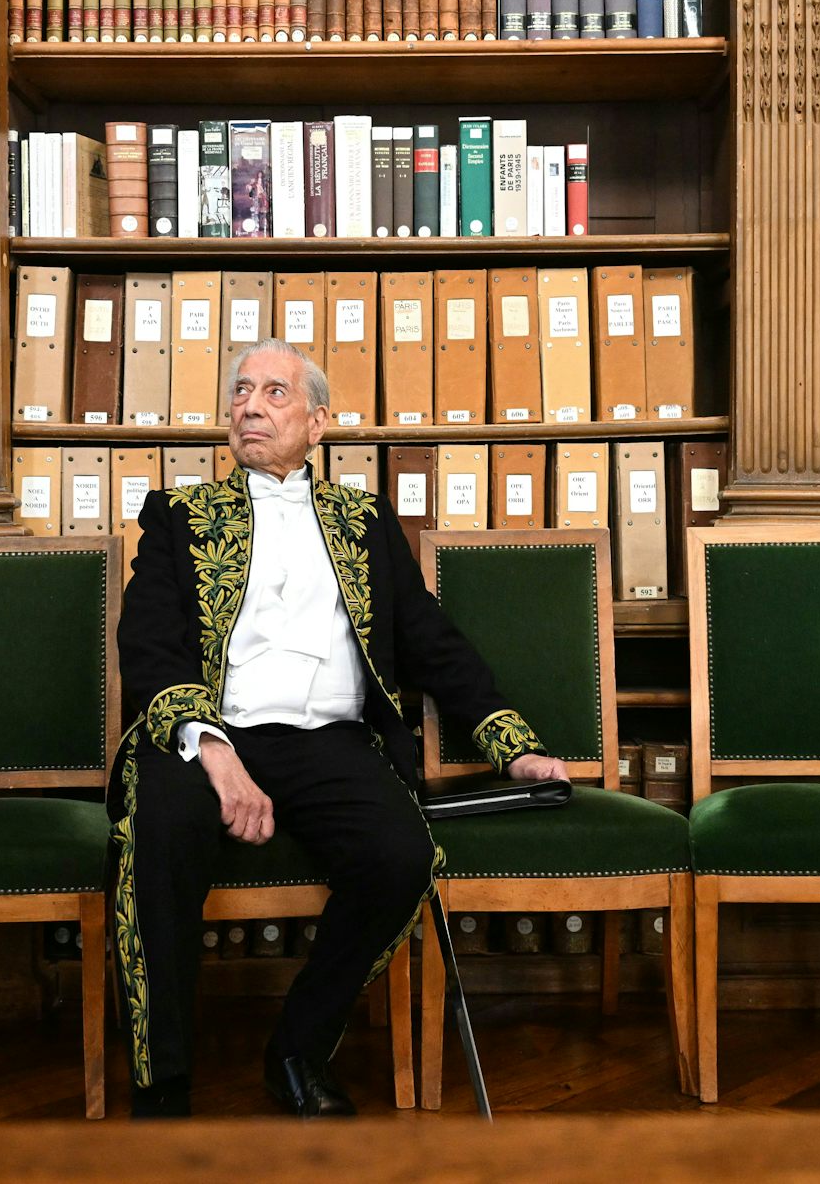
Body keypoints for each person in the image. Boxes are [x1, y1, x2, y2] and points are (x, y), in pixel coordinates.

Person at [108, 338, 567, 1118]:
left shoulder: (365, 520)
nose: (249, 406)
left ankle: (298, 1048)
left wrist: (511, 744)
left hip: (332, 743)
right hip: (208, 736)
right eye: (241, 392)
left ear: (319, 423)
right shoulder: (179, 513)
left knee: (401, 855)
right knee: (160, 829)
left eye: (274, 393)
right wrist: (213, 752)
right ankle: (164, 1084)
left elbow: (429, 641)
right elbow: (148, 642)